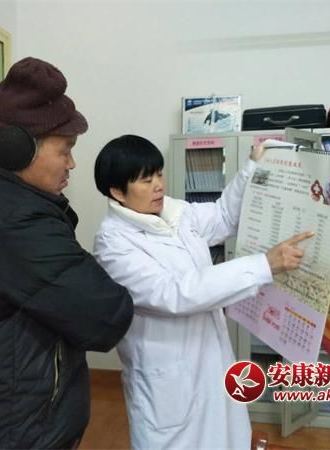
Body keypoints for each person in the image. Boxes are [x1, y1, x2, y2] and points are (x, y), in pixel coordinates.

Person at [0, 57, 134, 450]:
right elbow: (105, 316)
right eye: (65, 150)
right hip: (5, 429)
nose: (72, 163)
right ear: (17, 149)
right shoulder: (14, 219)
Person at [93, 135, 314, 450]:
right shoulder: (113, 243)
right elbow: (174, 293)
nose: (159, 185)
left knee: (225, 437)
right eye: (146, 180)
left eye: (159, 174)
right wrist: (263, 265)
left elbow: (224, 216)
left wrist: (253, 167)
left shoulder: (177, 213)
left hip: (210, 357)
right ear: (117, 192)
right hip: (169, 376)